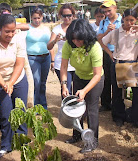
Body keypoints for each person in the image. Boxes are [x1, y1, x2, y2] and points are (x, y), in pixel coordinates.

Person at [0, 14, 28, 159]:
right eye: (7, 31)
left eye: (13, 31)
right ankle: (6, 145)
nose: (10, 34)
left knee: (20, 111)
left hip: (18, 79)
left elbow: (20, 64)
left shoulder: (19, 39)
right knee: (5, 114)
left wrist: (11, 82)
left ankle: (22, 141)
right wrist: (4, 84)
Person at [61, 19, 104, 153]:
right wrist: (64, 85)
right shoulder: (69, 45)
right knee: (76, 107)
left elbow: (97, 74)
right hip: (79, 76)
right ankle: (77, 135)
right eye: (73, 39)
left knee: (91, 110)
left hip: (94, 79)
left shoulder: (95, 47)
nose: (76, 43)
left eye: (79, 40)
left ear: (86, 36)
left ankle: (92, 141)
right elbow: (63, 67)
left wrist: (85, 90)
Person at [100, 9, 138, 127]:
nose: (129, 23)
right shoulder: (116, 32)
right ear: (123, 19)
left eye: (132, 20)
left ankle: (135, 118)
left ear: (136, 20)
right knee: (117, 93)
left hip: (133, 65)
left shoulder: (136, 32)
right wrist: (110, 54)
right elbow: (102, 41)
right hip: (118, 64)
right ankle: (118, 117)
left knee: (136, 93)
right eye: (127, 20)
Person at [25, 8, 54, 109]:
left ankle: (43, 105)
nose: (37, 20)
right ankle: (35, 105)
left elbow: (50, 44)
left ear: (42, 17)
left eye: (39, 18)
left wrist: (52, 60)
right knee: (36, 82)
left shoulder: (46, 29)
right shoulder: (27, 28)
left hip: (46, 57)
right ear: (31, 18)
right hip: (33, 58)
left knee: (43, 83)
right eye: (34, 18)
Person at [97, 0, 122, 112]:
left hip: (120, 54)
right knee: (105, 79)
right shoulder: (103, 22)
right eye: (105, 11)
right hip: (106, 53)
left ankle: (118, 105)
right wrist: (108, 31)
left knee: (118, 82)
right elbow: (99, 38)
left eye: (109, 11)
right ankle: (105, 103)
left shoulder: (123, 20)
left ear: (115, 8)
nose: (107, 13)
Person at [47, 4, 75, 96]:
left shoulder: (77, 26)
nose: (67, 18)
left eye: (69, 15)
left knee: (78, 89)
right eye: (64, 16)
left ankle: (78, 109)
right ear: (61, 16)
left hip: (77, 62)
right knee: (66, 89)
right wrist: (55, 40)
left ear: (73, 15)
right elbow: (49, 46)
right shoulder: (57, 29)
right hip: (62, 63)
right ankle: (66, 109)